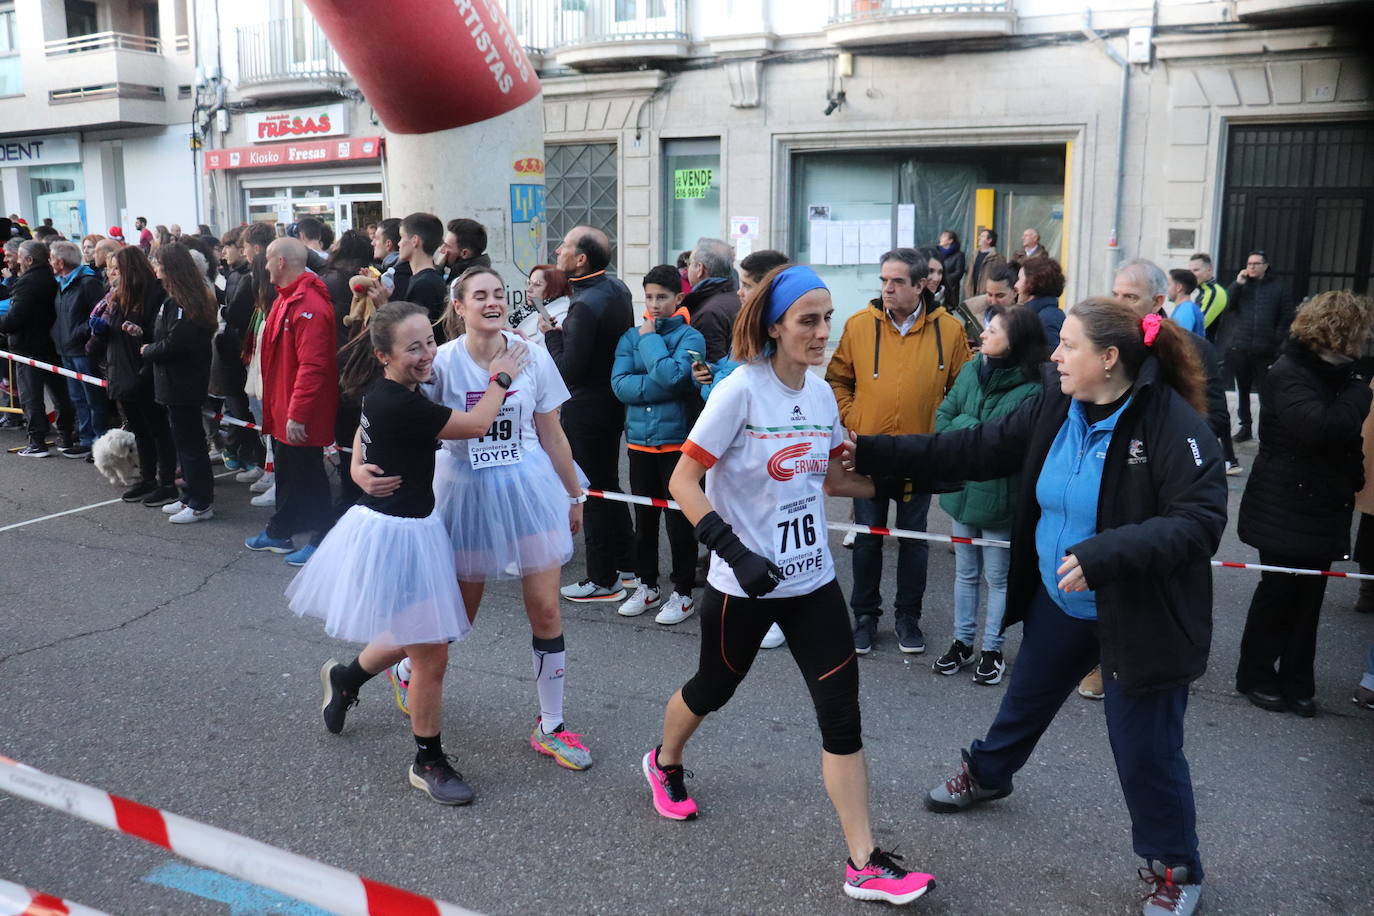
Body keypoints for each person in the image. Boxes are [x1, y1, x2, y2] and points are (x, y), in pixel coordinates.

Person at [852, 297, 1224, 916]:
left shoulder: (1171, 422)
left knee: (1146, 751)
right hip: (1062, 599)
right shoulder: (1056, 403)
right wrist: (869, 452)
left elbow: (1201, 521)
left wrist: (1109, 552)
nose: (1053, 354)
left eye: (1069, 345)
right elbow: (973, 449)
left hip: (1139, 614)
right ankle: (990, 774)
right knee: (1024, 699)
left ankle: (1176, 869)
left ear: (1109, 359)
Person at [649, 264, 937, 906]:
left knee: (842, 716)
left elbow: (835, 481)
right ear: (775, 325)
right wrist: (731, 550)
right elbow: (682, 483)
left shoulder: (821, 396)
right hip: (743, 583)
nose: (822, 332)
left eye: (827, 318)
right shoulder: (739, 392)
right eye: (808, 320)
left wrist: (914, 482)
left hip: (811, 581)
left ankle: (864, 860)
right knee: (711, 689)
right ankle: (665, 760)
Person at [295, 300, 528, 806]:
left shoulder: (388, 392)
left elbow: (362, 431)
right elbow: (475, 425)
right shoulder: (401, 402)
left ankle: (346, 676)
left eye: (429, 342)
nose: (427, 355)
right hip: (396, 538)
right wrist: (501, 377)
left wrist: (358, 466)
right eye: (414, 348)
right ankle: (428, 760)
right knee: (432, 653)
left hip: (414, 528)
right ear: (384, 355)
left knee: (419, 635)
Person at [360, 269, 592, 771]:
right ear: (459, 308)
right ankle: (404, 669)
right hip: (463, 494)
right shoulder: (439, 361)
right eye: (478, 295)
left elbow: (551, 433)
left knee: (546, 611)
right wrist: (359, 465)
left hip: (528, 489)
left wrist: (575, 495)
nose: (491, 302)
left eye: (497, 294)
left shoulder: (531, 353)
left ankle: (550, 725)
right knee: (457, 620)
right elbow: (382, 409)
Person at [1235, 290, 1374, 717]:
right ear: (1341, 332)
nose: (1367, 338)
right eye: (1362, 331)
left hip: (1321, 503)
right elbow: (1322, 428)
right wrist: (1361, 390)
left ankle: (1297, 681)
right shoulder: (1290, 371)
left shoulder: (1339, 375)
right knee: (1278, 590)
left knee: (1309, 594)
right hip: (1284, 501)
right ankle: (1255, 675)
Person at [826, 247, 970, 655]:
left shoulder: (950, 330)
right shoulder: (858, 326)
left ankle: (909, 618)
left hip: (921, 453)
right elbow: (837, 380)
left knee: (914, 540)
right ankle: (865, 619)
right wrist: (856, 417)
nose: (887, 288)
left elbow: (961, 393)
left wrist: (937, 428)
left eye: (897, 281)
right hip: (868, 452)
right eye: (884, 280)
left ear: (922, 284)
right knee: (868, 538)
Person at [931, 304, 1045, 684]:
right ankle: (962, 643)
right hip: (962, 491)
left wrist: (969, 434)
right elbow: (942, 417)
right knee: (964, 572)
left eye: (993, 330)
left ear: (1015, 342)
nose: (983, 334)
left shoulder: (1032, 390)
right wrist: (979, 432)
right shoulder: (969, 369)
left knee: (998, 577)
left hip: (1001, 499)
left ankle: (992, 649)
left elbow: (1009, 447)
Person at [544, 225, 637, 602]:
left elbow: (569, 370)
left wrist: (552, 335)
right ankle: (628, 563)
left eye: (564, 246)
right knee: (609, 486)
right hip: (612, 402)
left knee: (592, 491)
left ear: (581, 260)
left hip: (585, 408)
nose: (557, 251)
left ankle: (603, 578)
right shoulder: (618, 288)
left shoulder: (583, 304)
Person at [611, 264, 706, 624]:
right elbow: (619, 384)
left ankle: (682, 592)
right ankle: (647, 585)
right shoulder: (628, 336)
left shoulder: (689, 338)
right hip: (638, 442)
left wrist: (650, 341)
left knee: (679, 521)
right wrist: (661, 381)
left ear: (679, 298)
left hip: (676, 443)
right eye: (649, 297)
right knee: (645, 518)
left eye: (662, 297)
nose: (654, 304)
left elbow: (672, 377)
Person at [245, 238, 339, 566]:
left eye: (268, 260)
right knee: (289, 472)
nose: (265, 266)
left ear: (281, 262)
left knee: (309, 475)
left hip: (297, 412)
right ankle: (281, 530)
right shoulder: (289, 299)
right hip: (284, 408)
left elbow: (313, 366)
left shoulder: (308, 303)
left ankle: (321, 539)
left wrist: (297, 414)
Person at [142, 243, 217, 524]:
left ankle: (201, 502)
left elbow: (178, 342)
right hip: (173, 382)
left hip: (183, 382)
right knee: (183, 443)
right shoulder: (173, 299)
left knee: (191, 445)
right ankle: (188, 495)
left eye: (158, 262)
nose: (154, 267)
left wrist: (148, 350)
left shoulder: (186, 301)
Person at [104, 245, 177, 506]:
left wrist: (140, 333)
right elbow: (112, 330)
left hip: (144, 369)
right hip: (122, 369)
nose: (112, 272)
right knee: (139, 429)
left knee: (157, 428)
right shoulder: (118, 294)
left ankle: (166, 481)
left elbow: (160, 332)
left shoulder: (155, 294)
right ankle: (147, 478)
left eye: (117, 267)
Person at [0, 240, 77, 456]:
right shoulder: (52, 279)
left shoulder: (27, 283)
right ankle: (66, 435)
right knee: (59, 394)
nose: (8, 260)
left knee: (31, 396)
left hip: (28, 347)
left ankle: (37, 441)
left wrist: (3, 325)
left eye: (13, 256)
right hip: (51, 344)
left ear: (29, 259)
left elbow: (16, 317)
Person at [50, 240, 110, 454]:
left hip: (82, 349)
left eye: (51, 258)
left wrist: (79, 332)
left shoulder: (86, 282)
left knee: (93, 397)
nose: (50, 262)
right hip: (66, 348)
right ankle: (86, 439)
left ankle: (99, 442)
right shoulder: (61, 282)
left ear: (60, 261)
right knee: (78, 398)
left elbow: (101, 311)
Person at [1227, 250, 1294, 442]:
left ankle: (1267, 430)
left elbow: (1287, 315)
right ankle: (1245, 427)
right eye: (1249, 264)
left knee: (1267, 393)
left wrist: (1276, 339)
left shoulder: (1279, 287)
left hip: (1266, 349)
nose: (1252, 267)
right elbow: (1229, 305)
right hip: (1241, 346)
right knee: (1243, 390)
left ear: (1266, 265)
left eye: (1256, 264)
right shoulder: (1242, 285)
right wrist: (1238, 283)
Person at [681, 237, 740, 364]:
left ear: (700, 269)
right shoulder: (736, 298)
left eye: (689, 263)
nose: (687, 269)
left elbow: (708, 368)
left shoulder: (708, 313)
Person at [397, 213, 448, 341]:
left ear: (415, 240)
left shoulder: (424, 284)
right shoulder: (429, 279)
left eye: (402, 237)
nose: (398, 243)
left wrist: (382, 303)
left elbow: (412, 334)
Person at [511, 263, 571, 347]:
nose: (529, 289)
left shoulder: (560, 318)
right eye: (529, 283)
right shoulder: (531, 310)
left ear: (555, 289)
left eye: (537, 284)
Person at [1014, 256, 1066, 350]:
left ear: (1032, 282)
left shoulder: (1047, 318)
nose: (1015, 285)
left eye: (1020, 279)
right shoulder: (1034, 314)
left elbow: (1050, 360)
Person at [962, 262, 1018, 332]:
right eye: (989, 294)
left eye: (1000, 296)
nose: (993, 301)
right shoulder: (968, 314)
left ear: (1015, 292)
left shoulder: (1023, 321)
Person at [1188, 253, 1227, 342]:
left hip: (1207, 349)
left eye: (1196, 270)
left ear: (1209, 270)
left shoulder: (1215, 292)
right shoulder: (1197, 290)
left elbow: (1199, 325)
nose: (1191, 275)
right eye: (1190, 271)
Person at [439, 218, 491, 285]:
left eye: (447, 246)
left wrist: (438, 269)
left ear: (464, 253)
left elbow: (438, 294)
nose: (441, 250)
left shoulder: (467, 283)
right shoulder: (462, 274)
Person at [963, 228, 1007, 303]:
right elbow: (968, 273)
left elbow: (1001, 277)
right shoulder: (973, 255)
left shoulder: (998, 258)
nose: (979, 238)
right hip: (970, 295)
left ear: (989, 240)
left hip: (987, 296)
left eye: (982, 236)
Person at [1164, 270, 1206, 336]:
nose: (1166, 288)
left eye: (1169, 284)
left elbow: (1179, 342)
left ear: (1179, 287)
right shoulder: (1187, 307)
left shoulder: (1185, 310)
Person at [937, 230, 965, 299]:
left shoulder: (959, 255)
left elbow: (959, 273)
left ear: (950, 240)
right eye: (941, 236)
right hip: (936, 288)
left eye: (943, 236)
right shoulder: (936, 252)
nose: (940, 238)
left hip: (951, 290)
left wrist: (943, 279)